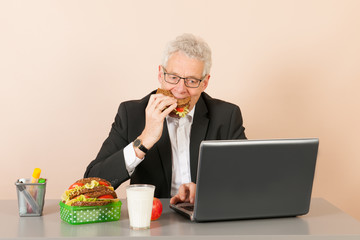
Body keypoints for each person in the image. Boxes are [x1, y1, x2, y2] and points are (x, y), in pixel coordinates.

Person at [84, 33, 246, 204]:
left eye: (191, 80)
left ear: (204, 83)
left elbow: (248, 177)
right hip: (153, 221)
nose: (180, 89)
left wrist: (208, 191)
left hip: (207, 216)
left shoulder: (226, 116)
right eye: (173, 77)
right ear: (161, 74)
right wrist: (144, 139)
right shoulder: (131, 114)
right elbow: (91, 187)